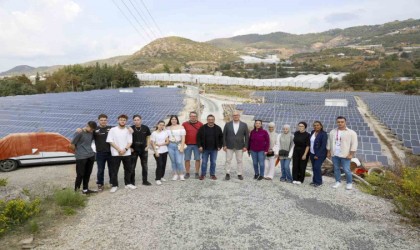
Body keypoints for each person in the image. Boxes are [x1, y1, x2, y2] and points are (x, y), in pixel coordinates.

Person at [106, 114, 136, 193]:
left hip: (127, 153)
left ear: (126, 121)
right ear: (118, 120)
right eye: (121, 120)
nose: (122, 121)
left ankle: (128, 183)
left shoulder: (128, 130)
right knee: (114, 170)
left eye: (124, 120)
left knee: (128, 169)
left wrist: (125, 149)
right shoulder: (113, 130)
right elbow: (110, 141)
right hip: (116, 153)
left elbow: (130, 141)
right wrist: (119, 150)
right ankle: (115, 185)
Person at [327, 116, 358, 190]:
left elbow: (354, 144)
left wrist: (351, 154)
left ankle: (349, 183)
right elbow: (329, 142)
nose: (340, 123)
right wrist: (328, 152)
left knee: (346, 169)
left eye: (342, 122)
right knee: (336, 169)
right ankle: (338, 181)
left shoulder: (351, 133)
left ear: (345, 122)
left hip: (345, 155)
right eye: (338, 122)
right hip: (335, 154)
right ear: (336, 122)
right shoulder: (332, 132)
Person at [70, 121, 98, 194]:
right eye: (91, 129)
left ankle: (85, 189)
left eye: (93, 130)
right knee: (80, 174)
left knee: (88, 173)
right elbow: (72, 144)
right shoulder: (79, 133)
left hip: (90, 155)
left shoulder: (91, 133)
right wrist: (78, 152)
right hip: (81, 157)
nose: (92, 131)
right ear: (87, 126)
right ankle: (76, 191)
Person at [223, 111, 249, 180]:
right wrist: (224, 145)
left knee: (239, 161)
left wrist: (246, 146)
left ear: (239, 116)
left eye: (237, 115)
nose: (235, 116)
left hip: (240, 146)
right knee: (228, 160)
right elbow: (224, 135)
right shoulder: (228, 124)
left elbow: (247, 136)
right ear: (232, 116)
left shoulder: (244, 125)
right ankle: (227, 173)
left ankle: (239, 174)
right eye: (234, 115)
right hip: (229, 145)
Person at [196, 114, 223, 180]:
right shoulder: (203, 128)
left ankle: (212, 174)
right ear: (207, 120)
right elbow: (198, 137)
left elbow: (221, 138)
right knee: (204, 162)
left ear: (214, 120)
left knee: (213, 162)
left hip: (214, 149)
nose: (211, 121)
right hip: (205, 149)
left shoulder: (218, 128)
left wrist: (219, 146)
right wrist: (199, 146)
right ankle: (203, 174)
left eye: (212, 120)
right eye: (209, 120)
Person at [130, 115, 152, 186]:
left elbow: (148, 137)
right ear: (133, 121)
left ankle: (145, 181)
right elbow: (127, 138)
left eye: (138, 119)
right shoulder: (131, 128)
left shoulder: (145, 128)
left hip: (144, 150)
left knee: (145, 166)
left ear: (141, 120)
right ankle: (132, 182)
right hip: (134, 150)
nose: (136, 121)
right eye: (135, 120)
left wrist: (148, 146)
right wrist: (130, 147)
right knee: (132, 167)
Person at [93, 114, 113, 191]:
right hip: (100, 153)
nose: (103, 121)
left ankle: (112, 182)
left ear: (107, 121)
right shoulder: (95, 130)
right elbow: (86, 133)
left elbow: (121, 131)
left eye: (105, 120)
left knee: (111, 169)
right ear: (98, 121)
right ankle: (100, 184)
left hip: (110, 153)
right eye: (101, 120)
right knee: (100, 170)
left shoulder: (111, 128)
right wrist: (80, 129)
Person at [182, 111, 203, 179]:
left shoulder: (200, 124)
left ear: (196, 117)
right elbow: (182, 134)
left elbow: (203, 135)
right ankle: (187, 172)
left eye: (194, 116)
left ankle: (196, 172)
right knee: (187, 159)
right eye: (191, 116)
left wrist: (201, 145)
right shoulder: (184, 124)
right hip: (187, 144)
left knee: (197, 159)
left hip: (197, 145)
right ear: (189, 116)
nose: (193, 117)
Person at [167, 115, 186, 181]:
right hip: (170, 146)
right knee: (173, 161)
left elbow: (183, 139)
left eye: (175, 119)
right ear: (170, 120)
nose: (173, 120)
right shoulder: (168, 128)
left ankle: (181, 174)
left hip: (178, 145)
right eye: (172, 119)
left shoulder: (181, 127)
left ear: (177, 120)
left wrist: (182, 147)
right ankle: (175, 174)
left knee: (179, 161)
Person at [309, 121, 328, 187]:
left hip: (320, 154)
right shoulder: (312, 132)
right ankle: (314, 180)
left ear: (321, 126)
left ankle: (319, 182)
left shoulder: (324, 134)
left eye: (317, 125)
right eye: (314, 125)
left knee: (317, 167)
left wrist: (317, 155)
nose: (316, 126)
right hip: (312, 153)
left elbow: (323, 146)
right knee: (314, 167)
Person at [150, 120, 169, 185]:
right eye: (160, 125)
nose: (161, 126)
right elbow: (152, 143)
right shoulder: (154, 133)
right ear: (157, 125)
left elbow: (167, 142)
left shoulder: (165, 133)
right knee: (159, 164)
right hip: (157, 151)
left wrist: (160, 144)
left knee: (163, 164)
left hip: (165, 151)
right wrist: (156, 152)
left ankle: (161, 176)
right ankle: (157, 179)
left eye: (163, 125)